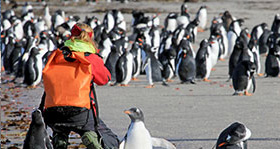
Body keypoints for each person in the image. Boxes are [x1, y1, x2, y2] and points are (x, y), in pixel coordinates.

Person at [40, 23, 119, 149]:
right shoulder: (90, 58)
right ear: (90, 38)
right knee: (107, 136)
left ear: (71, 36)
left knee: (60, 126)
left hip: (52, 112)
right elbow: (104, 79)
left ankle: (59, 137)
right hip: (81, 113)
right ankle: (90, 135)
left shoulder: (55, 54)